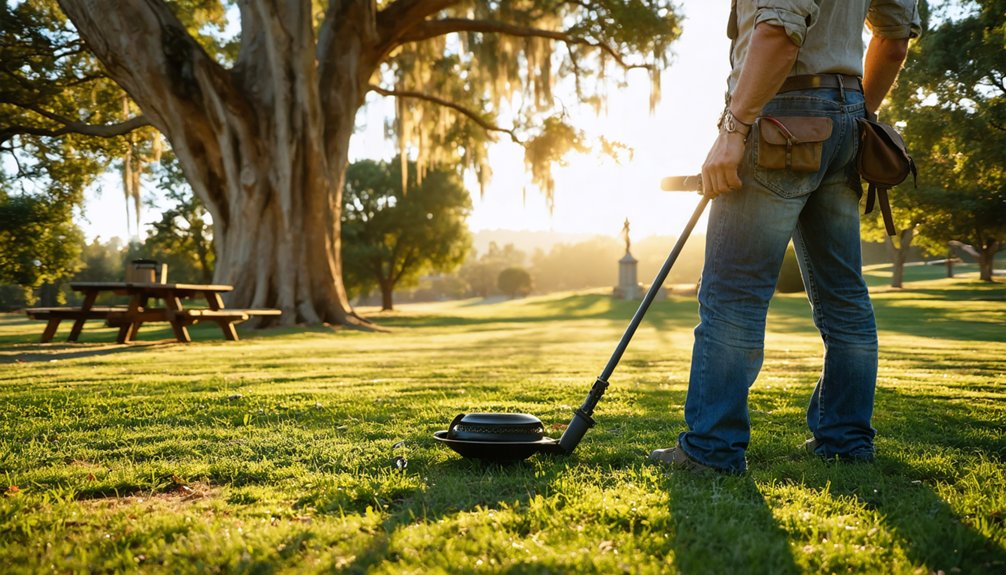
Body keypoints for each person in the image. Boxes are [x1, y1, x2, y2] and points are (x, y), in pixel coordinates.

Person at [650, 1, 921, 474]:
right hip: (849, 119)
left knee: (733, 295)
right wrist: (854, 117)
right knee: (844, 298)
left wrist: (733, 131)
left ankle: (711, 450)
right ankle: (846, 442)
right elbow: (894, 43)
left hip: (778, 115)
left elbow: (778, 31)